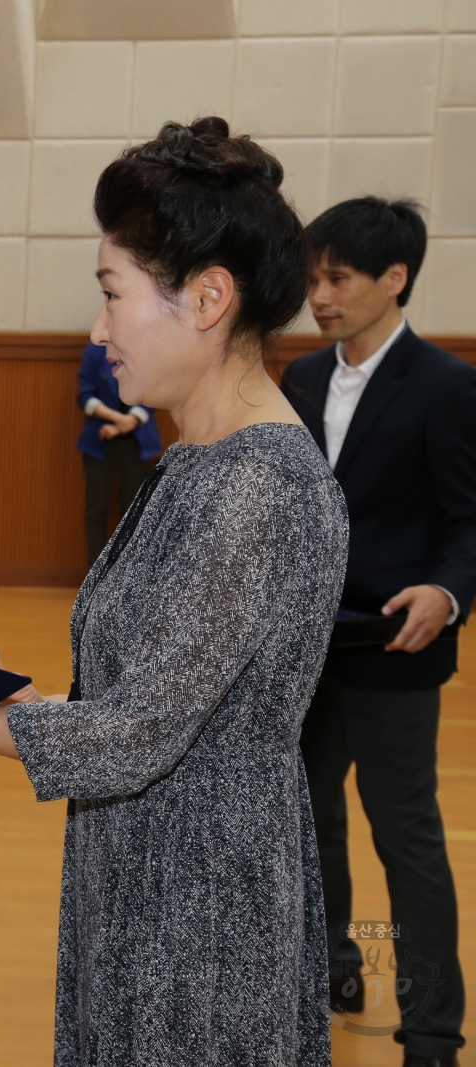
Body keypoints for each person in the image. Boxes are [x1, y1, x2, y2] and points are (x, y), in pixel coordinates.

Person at [0, 118, 346, 1064]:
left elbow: (139, 733)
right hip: (147, 867)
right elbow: (160, 703)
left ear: (208, 297)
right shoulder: (196, 463)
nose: (98, 327)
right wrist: (25, 705)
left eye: (112, 294)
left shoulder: (254, 484)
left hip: (200, 903)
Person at [282, 196, 476, 1067]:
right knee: (307, 820)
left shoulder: (447, 384)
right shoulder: (301, 380)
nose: (319, 295)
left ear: (395, 279)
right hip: (303, 652)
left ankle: (433, 1028)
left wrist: (447, 589)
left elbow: (472, 520)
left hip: (396, 647)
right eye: (313, 277)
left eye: (338, 278)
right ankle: (333, 968)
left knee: (408, 841)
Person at [76, 339, 160, 565]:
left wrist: (129, 422)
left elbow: (153, 391)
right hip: (99, 438)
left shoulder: (145, 348)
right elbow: (85, 396)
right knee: (97, 509)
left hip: (137, 440)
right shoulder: (94, 351)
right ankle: (94, 575)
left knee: (134, 510)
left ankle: (129, 575)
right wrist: (118, 421)